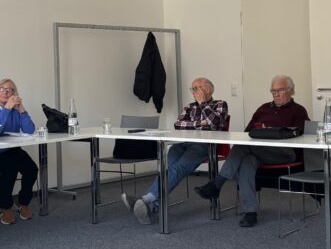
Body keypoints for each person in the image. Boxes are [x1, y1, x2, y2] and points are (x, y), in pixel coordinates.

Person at [194, 75, 309, 227]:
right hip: (258, 151)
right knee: (247, 162)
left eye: (280, 90)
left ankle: (217, 184)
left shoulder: (298, 110)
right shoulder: (263, 108)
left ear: (291, 90)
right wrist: (262, 132)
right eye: (273, 91)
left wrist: (273, 132)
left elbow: (302, 135)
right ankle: (250, 212)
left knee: (241, 146)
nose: (276, 94)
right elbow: (247, 132)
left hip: (284, 153)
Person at [123, 77, 228, 225]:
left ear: (208, 89)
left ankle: (146, 200)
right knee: (168, 168)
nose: (193, 92)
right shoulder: (189, 107)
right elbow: (178, 124)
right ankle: (152, 206)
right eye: (192, 89)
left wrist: (203, 105)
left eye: (196, 88)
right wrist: (202, 123)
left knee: (178, 168)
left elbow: (215, 123)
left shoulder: (220, 104)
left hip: (205, 145)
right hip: (183, 144)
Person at [0, 78, 38, 225]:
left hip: (10, 150)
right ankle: (5, 207)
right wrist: (6, 109)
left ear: (14, 94)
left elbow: (29, 130)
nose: (5, 92)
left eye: (9, 89)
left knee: (31, 169)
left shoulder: (16, 111)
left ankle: (23, 203)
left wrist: (21, 109)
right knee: (10, 167)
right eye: (2, 89)